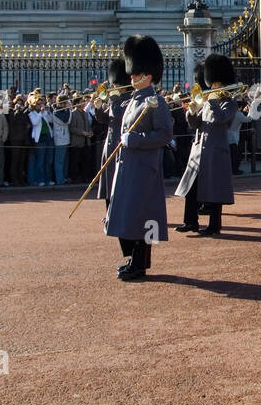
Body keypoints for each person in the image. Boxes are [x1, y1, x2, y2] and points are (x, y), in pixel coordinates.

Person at [104, 35, 174, 282]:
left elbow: (165, 134)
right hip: (129, 168)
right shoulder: (135, 99)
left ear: (149, 74)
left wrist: (134, 141)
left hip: (144, 169)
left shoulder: (156, 102)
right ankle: (133, 259)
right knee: (130, 215)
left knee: (143, 217)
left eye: (136, 73)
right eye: (132, 73)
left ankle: (140, 264)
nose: (131, 76)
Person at [175, 53, 237, 236]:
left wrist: (213, 102)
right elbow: (194, 125)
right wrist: (191, 112)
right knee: (191, 188)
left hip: (216, 151)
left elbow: (221, 119)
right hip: (199, 150)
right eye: (212, 83)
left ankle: (214, 225)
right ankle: (190, 221)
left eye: (216, 84)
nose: (212, 86)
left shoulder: (229, 103)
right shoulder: (207, 102)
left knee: (215, 190)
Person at [95, 59, 129, 204]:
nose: (113, 86)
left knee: (119, 179)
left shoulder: (128, 100)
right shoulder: (115, 100)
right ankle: (109, 211)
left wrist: (114, 101)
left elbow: (119, 116)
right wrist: (98, 108)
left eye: (116, 84)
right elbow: (104, 119)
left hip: (120, 143)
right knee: (108, 179)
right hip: (109, 143)